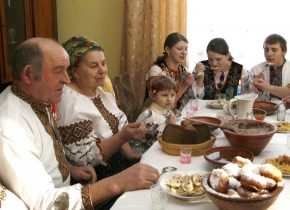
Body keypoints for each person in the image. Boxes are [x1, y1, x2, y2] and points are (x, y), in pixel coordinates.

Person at [0, 37, 159, 209]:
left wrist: (71, 169)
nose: (67, 79)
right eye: (58, 71)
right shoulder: (10, 125)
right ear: (28, 74)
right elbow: (46, 203)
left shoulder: (38, 98)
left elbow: (44, 153)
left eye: (66, 70)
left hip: (71, 191)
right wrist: (117, 182)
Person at [58, 36, 145, 182]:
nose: (102, 70)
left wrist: (130, 154)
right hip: (96, 176)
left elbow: (116, 127)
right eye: (94, 66)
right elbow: (85, 160)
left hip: (118, 163)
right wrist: (124, 136)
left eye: (103, 64)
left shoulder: (100, 93)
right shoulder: (70, 103)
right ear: (74, 72)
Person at [245, 34, 290, 101]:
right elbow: (251, 98)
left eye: (274, 50)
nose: (269, 54)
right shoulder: (255, 71)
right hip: (263, 109)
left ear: (284, 51)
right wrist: (258, 89)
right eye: (266, 50)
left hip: (289, 110)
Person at [146, 32, 194, 110]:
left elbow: (193, 97)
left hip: (177, 113)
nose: (184, 52)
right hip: (157, 116)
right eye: (179, 49)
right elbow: (164, 105)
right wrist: (184, 85)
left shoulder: (184, 70)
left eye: (186, 49)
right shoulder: (156, 71)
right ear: (167, 49)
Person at [133, 76, 177, 155]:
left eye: (172, 95)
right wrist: (168, 125)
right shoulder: (150, 115)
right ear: (153, 96)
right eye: (164, 95)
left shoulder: (167, 111)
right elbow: (155, 138)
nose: (169, 99)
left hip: (158, 149)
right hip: (143, 152)